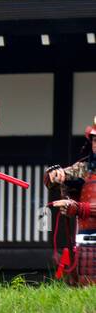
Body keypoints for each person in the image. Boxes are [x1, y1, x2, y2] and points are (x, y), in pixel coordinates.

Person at [46, 118, 96, 286]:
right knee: (84, 285)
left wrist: (79, 208)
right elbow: (53, 179)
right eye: (95, 140)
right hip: (86, 238)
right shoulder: (84, 168)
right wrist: (53, 175)